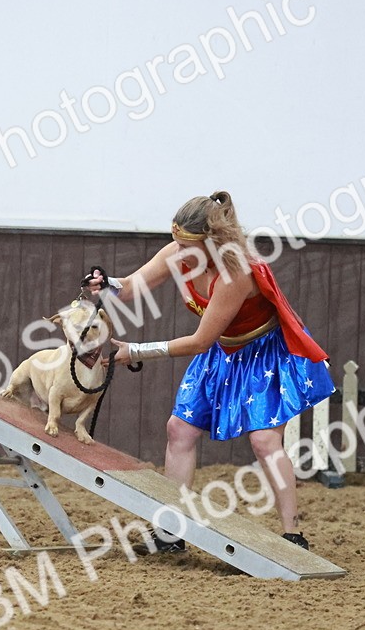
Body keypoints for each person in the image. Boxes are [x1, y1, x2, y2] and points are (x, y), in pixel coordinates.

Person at [97, 191, 335, 551]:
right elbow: (130, 288)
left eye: (189, 245)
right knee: (179, 429)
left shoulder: (235, 273)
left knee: (264, 440)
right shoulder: (178, 253)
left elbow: (198, 342)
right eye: (177, 243)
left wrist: (135, 351)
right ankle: (170, 530)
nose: (180, 253)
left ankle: (293, 533)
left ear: (213, 241)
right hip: (224, 350)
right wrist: (105, 285)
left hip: (263, 354)